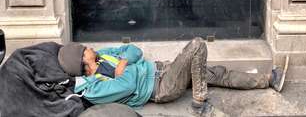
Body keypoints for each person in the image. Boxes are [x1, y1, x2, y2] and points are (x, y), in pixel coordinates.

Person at [58, 38, 289, 116]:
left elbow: (134, 51)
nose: (89, 47)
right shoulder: (94, 89)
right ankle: (200, 103)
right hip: (161, 87)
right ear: (83, 61)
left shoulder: (102, 56)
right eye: (85, 49)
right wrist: (128, 67)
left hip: (160, 68)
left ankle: (269, 79)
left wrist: (124, 62)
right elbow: (127, 85)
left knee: (216, 73)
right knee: (197, 45)